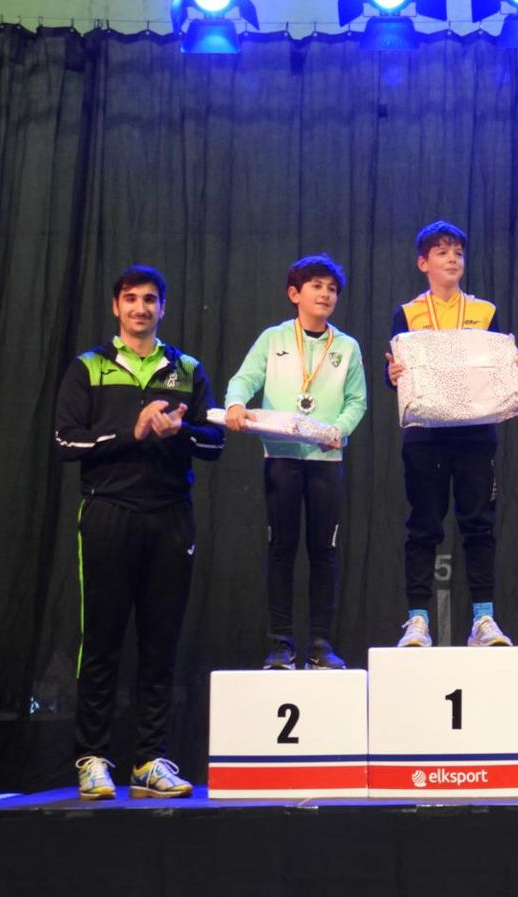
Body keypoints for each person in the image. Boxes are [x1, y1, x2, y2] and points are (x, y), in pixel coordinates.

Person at [54, 264, 224, 800]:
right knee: (101, 642)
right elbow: (66, 441)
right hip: (109, 514)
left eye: (150, 300)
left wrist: (177, 432)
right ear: (116, 307)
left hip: (171, 516)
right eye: (131, 299)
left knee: (161, 643)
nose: (140, 308)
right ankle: (93, 759)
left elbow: (214, 443)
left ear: (162, 308)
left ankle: (150, 760)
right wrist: (133, 430)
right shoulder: (89, 366)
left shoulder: (186, 368)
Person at [385, 220, 518, 648]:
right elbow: (397, 373)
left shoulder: (485, 312)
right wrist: (392, 376)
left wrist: (515, 368)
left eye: (458, 252)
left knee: (479, 525)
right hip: (424, 434)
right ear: (423, 263)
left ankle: (483, 620)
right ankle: (417, 620)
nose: (452, 259)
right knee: (423, 526)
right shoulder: (407, 314)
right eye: (442, 252)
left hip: (475, 433)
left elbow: (498, 369)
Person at [224, 254, 367, 670]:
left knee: (325, 551)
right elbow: (245, 379)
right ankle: (281, 644)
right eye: (316, 286)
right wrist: (235, 403)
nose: (325, 294)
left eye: (332, 289)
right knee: (281, 549)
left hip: (326, 459)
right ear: (294, 294)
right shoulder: (274, 339)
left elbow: (358, 400)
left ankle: (321, 644)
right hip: (281, 457)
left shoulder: (346, 347)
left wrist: (339, 429)